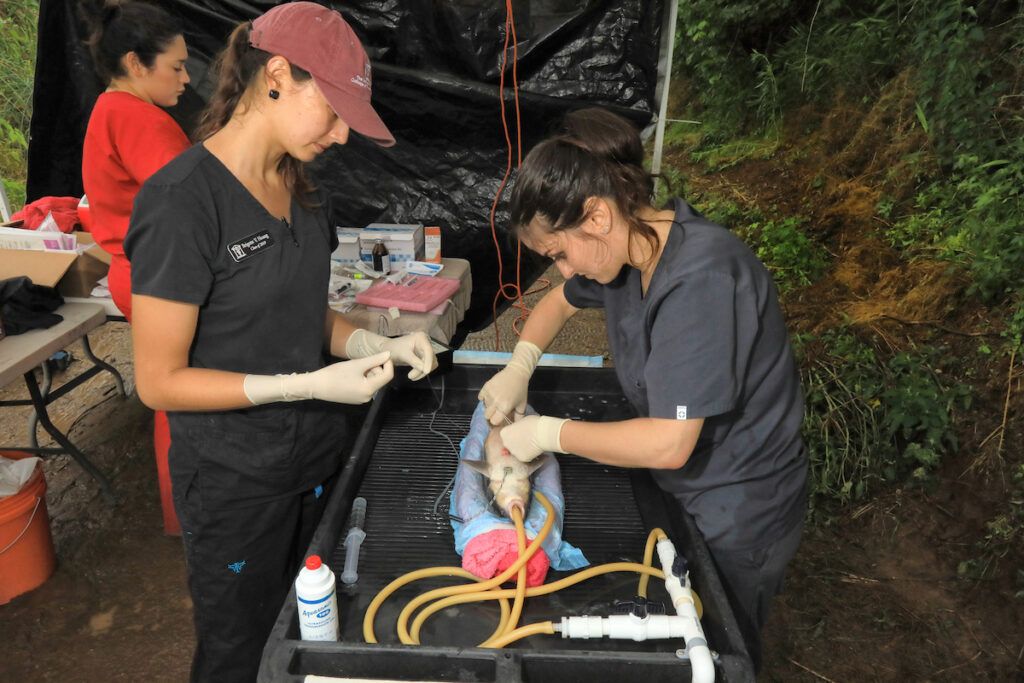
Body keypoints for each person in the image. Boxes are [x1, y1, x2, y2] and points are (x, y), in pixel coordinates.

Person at [123, 3, 437, 680]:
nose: (342, 136)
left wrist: (374, 341)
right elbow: (158, 380)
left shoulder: (303, 190)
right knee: (240, 649)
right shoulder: (181, 203)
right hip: (238, 483)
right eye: (331, 112)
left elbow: (307, 315)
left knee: (312, 626)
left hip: (315, 458)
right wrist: (304, 383)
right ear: (275, 78)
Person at [480, 107, 807, 670]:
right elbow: (559, 301)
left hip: (739, 501)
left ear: (598, 214)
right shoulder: (631, 251)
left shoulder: (700, 277)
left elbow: (668, 442)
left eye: (558, 252)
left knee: (718, 650)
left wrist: (547, 432)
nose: (561, 270)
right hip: (684, 486)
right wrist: (520, 365)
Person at [80, 0, 192, 535]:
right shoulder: (139, 118)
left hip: (135, 273)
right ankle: (190, 515)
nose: (187, 79)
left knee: (168, 389)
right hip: (160, 277)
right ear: (135, 63)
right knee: (180, 392)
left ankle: (183, 514)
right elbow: (191, 205)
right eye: (176, 66)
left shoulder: (108, 107)